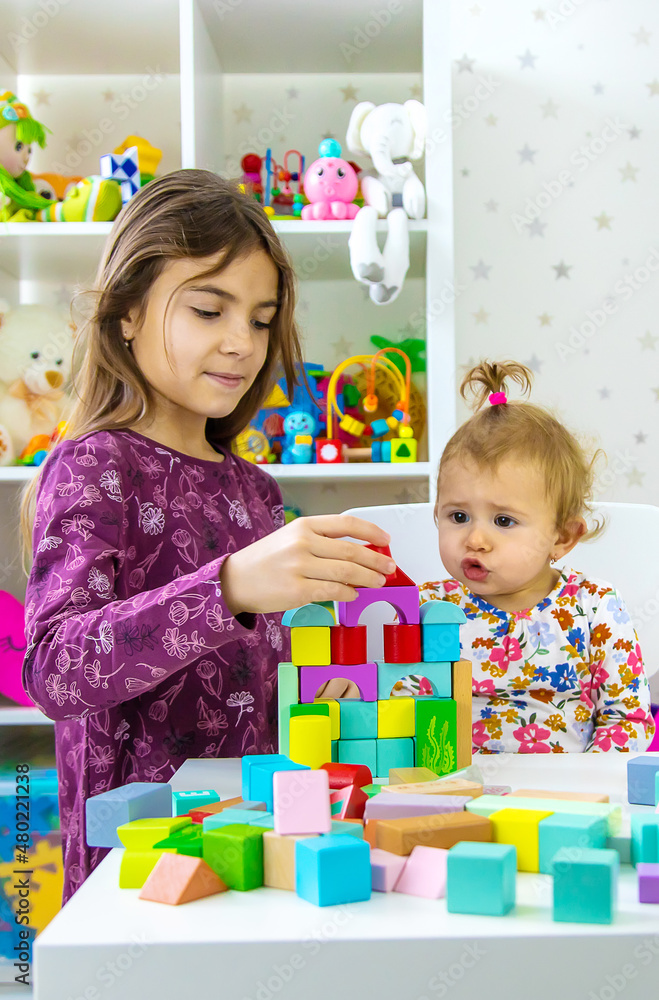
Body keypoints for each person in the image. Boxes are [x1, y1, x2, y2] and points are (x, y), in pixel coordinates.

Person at [19, 170, 394, 903]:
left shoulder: (254, 490)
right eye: (207, 309)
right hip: (136, 870)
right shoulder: (95, 466)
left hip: (255, 848)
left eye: (260, 319)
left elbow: (269, 678)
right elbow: (54, 673)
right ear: (126, 312)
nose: (240, 343)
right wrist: (228, 587)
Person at [420, 360, 655, 754]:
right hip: (456, 792)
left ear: (561, 537)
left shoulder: (595, 608)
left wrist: (588, 790)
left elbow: (625, 719)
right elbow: (402, 701)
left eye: (504, 520)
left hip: (565, 799)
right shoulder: (429, 608)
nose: (475, 539)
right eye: (458, 516)